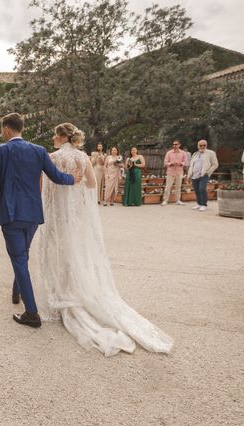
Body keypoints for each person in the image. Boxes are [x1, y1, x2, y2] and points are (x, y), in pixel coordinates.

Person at [34, 123, 173, 356]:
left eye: (54, 135)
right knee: (74, 251)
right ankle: (74, 291)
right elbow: (90, 184)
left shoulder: (52, 157)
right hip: (76, 213)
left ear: (61, 137)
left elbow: (45, 188)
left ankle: (59, 295)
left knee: (57, 251)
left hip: (56, 213)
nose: (52, 138)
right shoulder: (83, 157)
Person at [0, 113, 77, 328]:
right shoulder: (39, 151)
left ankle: (31, 313)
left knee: (19, 258)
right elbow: (57, 176)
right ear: (21, 128)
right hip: (33, 213)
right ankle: (17, 291)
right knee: (22, 255)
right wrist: (73, 179)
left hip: (12, 214)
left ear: (6, 129)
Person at [187, 140, 219, 212]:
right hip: (194, 175)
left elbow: (215, 164)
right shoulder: (195, 154)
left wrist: (208, 172)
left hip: (204, 174)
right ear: (198, 146)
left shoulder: (211, 153)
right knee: (196, 189)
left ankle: (203, 204)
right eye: (200, 145)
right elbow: (191, 165)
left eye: (204, 145)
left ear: (206, 145)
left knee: (202, 189)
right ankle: (199, 203)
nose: (202, 147)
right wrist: (189, 175)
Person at [161, 140, 186, 206]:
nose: (174, 145)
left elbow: (185, 161)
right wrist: (170, 163)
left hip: (179, 172)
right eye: (173, 144)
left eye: (176, 144)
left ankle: (178, 200)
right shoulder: (169, 153)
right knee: (167, 187)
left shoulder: (183, 153)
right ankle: (165, 200)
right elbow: (165, 162)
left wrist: (181, 163)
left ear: (179, 145)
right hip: (170, 172)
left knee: (178, 187)